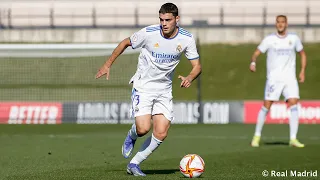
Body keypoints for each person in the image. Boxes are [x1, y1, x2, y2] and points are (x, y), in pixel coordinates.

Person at [95, 3, 202, 176]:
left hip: (164, 90)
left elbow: (197, 66)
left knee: (161, 132)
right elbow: (125, 43)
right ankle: (132, 135)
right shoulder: (149, 33)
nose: (164, 23)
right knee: (143, 129)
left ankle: (134, 164)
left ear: (177, 19)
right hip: (143, 86)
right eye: (161, 19)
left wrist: (190, 77)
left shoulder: (186, 38)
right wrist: (108, 64)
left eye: (168, 20)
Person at [249, 15, 307, 148]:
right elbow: (257, 52)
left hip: (290, 78)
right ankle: (256, 136)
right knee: (266, 105)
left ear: (286, 24)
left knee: (294, 103)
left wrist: (302, 70)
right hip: (274, 79)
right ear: (276, 24)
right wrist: (253, 62)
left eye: (283, 22)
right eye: (278, 22)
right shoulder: (269, 40)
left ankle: (293, 138)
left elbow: (302, 54)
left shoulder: (294, 39)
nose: (280, 24)